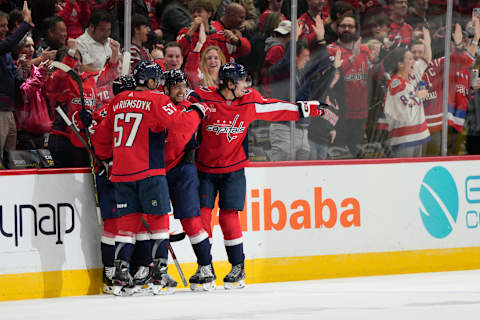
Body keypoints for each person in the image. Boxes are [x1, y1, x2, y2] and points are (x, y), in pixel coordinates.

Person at [188, 62, 325, 289]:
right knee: (202, 218)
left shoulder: (249, 100)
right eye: (242, 80)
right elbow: (181, 106)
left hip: (233, 171)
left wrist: (306, 108)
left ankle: (237, 267)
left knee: (228, 217)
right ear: (230, 83)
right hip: (204, 171)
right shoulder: (203, 98)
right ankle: (205, 267)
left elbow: (275, 108)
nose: (246, 84)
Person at [91, 60, 209, 296]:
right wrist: (198, 111)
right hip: (150, 173)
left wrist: (109, 159)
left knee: (126, 226)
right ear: (152, 81)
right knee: (159, 223)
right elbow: (181, 126)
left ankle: (121, 277)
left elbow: (100, 140)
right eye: (159, 81)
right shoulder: (157, 99)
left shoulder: (118, 100)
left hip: (122, 174)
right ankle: (159, 275)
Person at [162, 69, 215, 291]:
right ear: (166, 89)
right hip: (157, 171)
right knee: (158, 224)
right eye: (176, 87)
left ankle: (206, 268)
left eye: (183, 86)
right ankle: (159, 270)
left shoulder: (190, 107)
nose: (181, 90)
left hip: (183, 170)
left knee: (191, 221)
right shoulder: (159, 108)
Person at [46, 38, 120, 168]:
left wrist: (114, 54)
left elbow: (106, 77)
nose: (77, 63)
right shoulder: (58, 81)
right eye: (73, 59)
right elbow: (62, 73)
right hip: (63, 139)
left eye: (79, 59)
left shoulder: (88, 79)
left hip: (83, 140)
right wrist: (71, 51)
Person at [0, 2, 33, 165]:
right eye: (2, 26)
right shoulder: (3, 48)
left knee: (11, 158)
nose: (5, 29)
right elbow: (9, 44)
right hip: (0, 110)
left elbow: (13, 78)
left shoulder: (4, 53)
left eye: (6, 26)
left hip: (8, 109)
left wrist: (22, 72)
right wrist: (25, 22)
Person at [383, 47, 430, 157]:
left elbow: (426, 59)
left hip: (417, 137)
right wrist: (418, 97)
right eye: (410, 59)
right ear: (400, 64)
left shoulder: (408, 80)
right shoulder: (397, 84)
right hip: (405, 140)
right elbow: (406, 114)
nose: (414, 61)